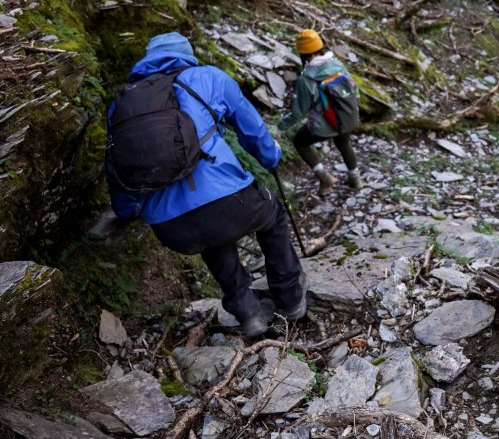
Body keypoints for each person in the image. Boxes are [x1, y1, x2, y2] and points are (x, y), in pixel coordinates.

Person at [107, 32, 306, 340]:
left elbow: (117, 164)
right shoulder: (207, 77)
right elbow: (251, 130)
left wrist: (125, 211)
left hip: (170, 227)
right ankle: (291, 298)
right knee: (272, 215)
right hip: (229, 204)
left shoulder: (122, 104)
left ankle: (249, 312)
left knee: (212, 237)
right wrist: (271, 156)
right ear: (186, 54)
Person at [278, 29, 363, 196]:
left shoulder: (306, 79)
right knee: (344, 143)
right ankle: (356, 179)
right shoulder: (337, 64)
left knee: (300, 142)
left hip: (326, 124)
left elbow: (299, 112)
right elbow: (355, 90)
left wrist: (280, 126)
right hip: (347, 116)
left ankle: (325, 178)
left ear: (302, 53)